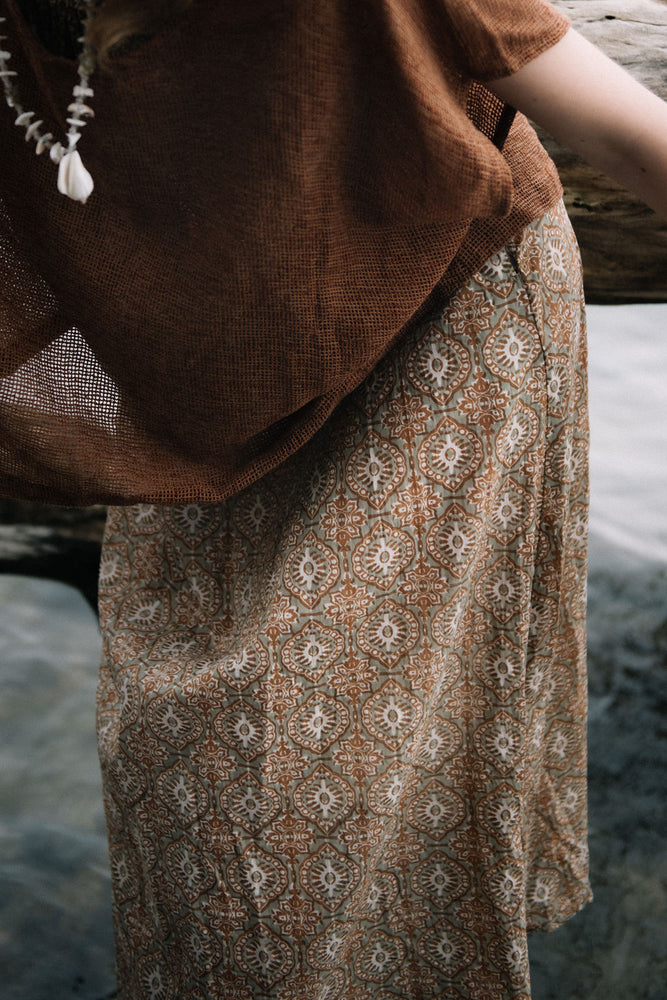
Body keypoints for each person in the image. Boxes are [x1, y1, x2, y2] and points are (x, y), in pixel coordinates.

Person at [0, 1, 665, 997]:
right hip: (215, 363)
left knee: (330, 797)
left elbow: (625, 128)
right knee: (178, 761)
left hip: (438, 326)